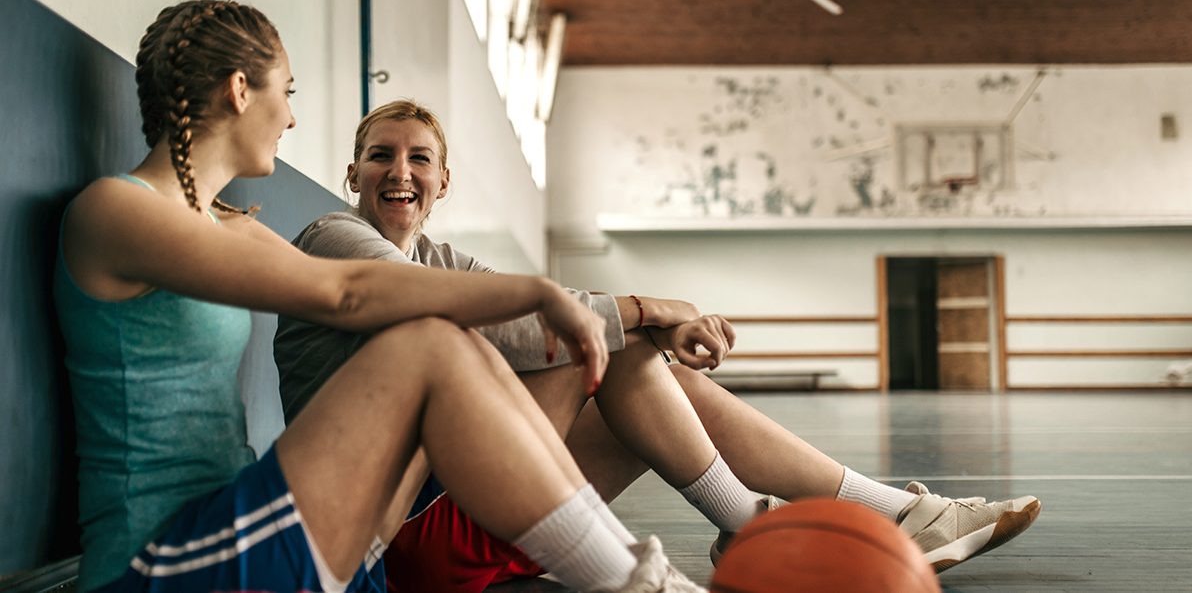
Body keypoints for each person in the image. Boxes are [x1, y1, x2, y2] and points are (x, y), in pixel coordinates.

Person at [55, 0, 704, 593]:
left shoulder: (228, 225)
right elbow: (348, 290)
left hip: (250, 520)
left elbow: (381, 289)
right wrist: (538, 291)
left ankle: (634, 570)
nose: (292, 116)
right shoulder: (117, 211)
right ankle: (639, 584)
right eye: (288, 92)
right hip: (160, 562)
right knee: (427, 343)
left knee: (444, 334)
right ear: (239, 90)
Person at [274, 99, 1043, 591]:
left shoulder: (444, 262)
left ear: (445, 182)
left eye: (419, 159)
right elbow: (535, 325)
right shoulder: (335, 237)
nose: (399, 171)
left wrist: (653, 322)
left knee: (639, 367)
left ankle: (853, 515)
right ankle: (782, 521)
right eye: (381, 155)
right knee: (602, 349)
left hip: (481, 508)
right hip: (400, 541)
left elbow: (558, 306)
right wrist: (654, 310)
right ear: (352, 172)